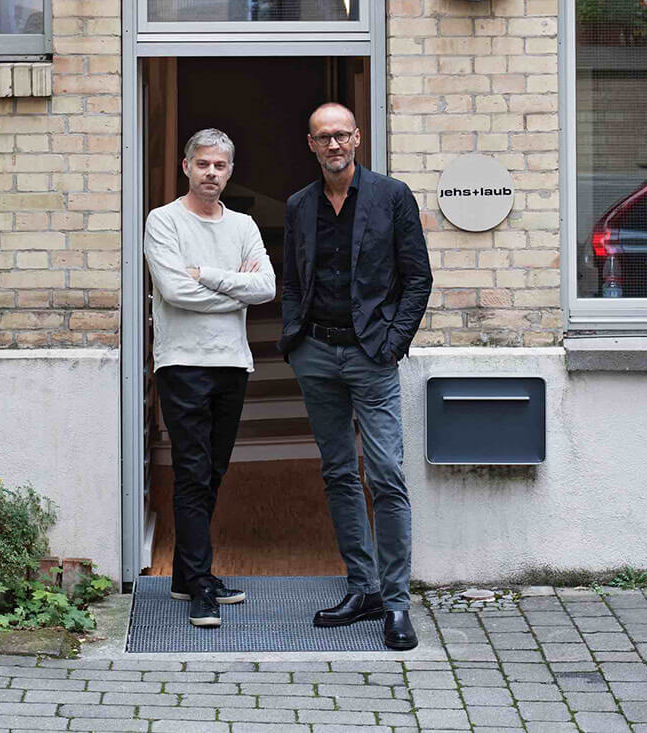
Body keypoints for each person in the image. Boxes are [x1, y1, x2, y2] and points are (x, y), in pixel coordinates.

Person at [279, 103, 432, 650]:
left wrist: (392, 345)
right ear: (311, 144)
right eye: (324, 137)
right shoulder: (299, 205)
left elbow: (418, 279)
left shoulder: (392, 196)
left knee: (386, 474)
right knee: (340, 473)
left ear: (357, 139)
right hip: (317, 354)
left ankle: (396, 603)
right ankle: (362, 588)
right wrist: (294, 339)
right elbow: (292, 280)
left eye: (342, 135)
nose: (334, 145)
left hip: (372, 356)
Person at [144, 128, 276, 628]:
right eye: (203, 164)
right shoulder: (163, 221)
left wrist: (208, 275)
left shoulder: (243, 225)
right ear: (186, 167)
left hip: (232, 362)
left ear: (230, 171)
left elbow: (266, 288)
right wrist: (235, 291)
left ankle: (185, 575)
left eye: (220, 166)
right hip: (182, 363)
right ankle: (200, 583)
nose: (211, 173)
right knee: (193, 471)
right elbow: (175, 292)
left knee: (213, 471)